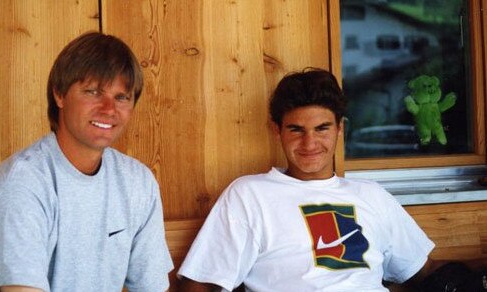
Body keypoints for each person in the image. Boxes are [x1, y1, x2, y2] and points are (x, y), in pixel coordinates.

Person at [177, 68, 438, 291]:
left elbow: (422, 272)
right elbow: (199, 283)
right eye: (296, 130)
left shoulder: (372, 195)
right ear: (277, 130)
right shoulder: (249, 195)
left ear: (339, 128)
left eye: (322, 128)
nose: (309, 143)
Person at [0, 32, 173, 291]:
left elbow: (152, 288)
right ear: (59, 95)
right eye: (93, 92)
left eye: (122, 97)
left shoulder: (138, 182)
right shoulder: (22, 184)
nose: (109, 108)